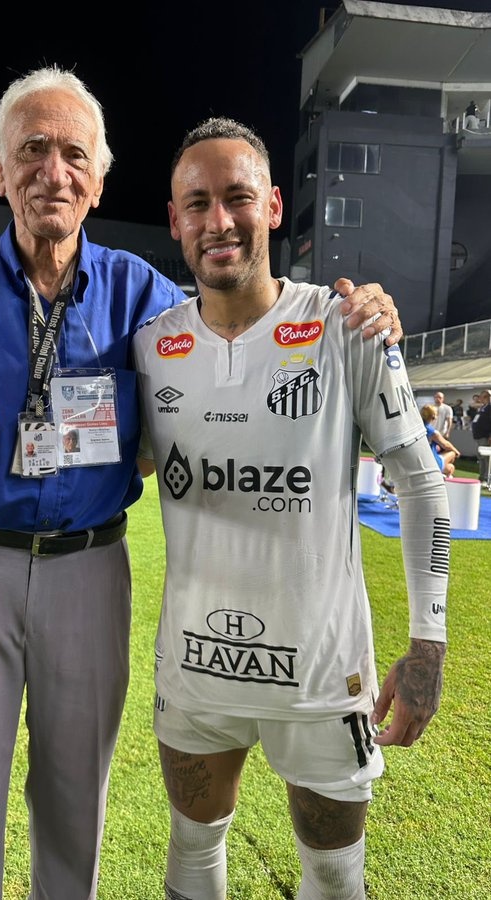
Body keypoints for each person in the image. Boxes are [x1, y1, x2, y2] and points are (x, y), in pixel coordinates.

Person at [0, 67, 402, 900]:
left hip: (88, 569)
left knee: (74, 791)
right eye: (31, 150)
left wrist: (361, 309)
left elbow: (228, 352)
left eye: (74, 154)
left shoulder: (143, 296)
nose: (53, 171)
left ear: (98, 180)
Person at [132, 117, 449, 900]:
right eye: (196, 203)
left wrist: (427, 644)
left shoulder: (347, 326)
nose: (218, 221)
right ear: (174, 220)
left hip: (320, 682)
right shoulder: (149, 348)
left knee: (334, 876)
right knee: (191, 855)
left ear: (272, 205)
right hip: (195, 672)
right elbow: (118, 462)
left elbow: (419, 480)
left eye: (236, 197)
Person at [420, 404, 460, 477]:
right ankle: (442, 473)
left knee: (450, 467)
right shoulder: (432, 432)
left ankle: (443, 472)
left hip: (420, 459)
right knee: (452, 453)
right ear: (434, 416)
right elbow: (446, 445)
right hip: (431, 462)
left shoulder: (418, 427)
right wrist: (457, 452)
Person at [471, 388, 491, 487]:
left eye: (481, 397)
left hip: (485, 436)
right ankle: (482, 476)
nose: (479, 399)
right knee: (481, 458)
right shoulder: (483, 407)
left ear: (486, 397)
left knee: (486, 458)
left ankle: (487, 478)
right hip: (479, 436)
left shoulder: (489, 407)